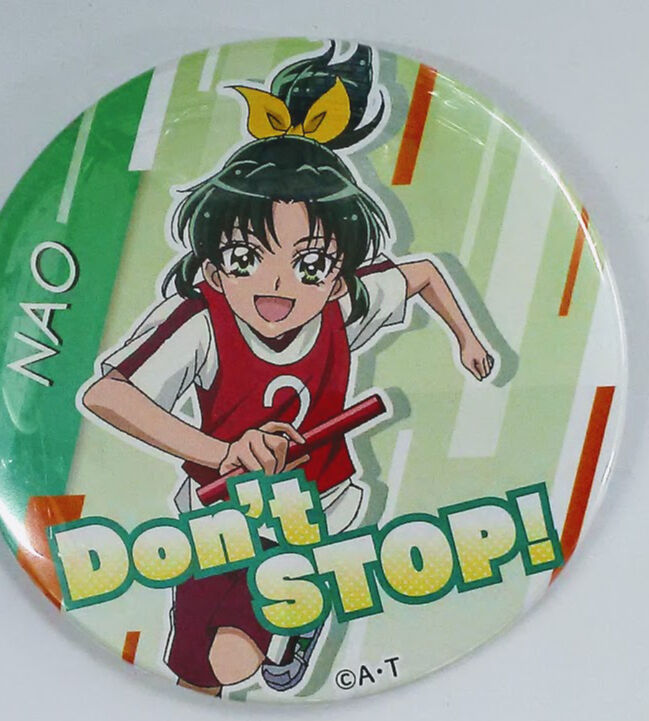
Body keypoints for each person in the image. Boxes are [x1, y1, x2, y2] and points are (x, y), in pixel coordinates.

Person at [81, 41, 493, 696]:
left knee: (234, 663)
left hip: (314, 509)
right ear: (214, 268)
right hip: (220, 519)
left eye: (309, 263)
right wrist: (221, 452)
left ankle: (305, 597)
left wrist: (466, 338)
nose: (276, 284)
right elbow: (107, 394)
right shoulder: (201, 321)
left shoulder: (343, 306)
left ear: (337, 278)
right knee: (195, 667)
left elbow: (420, 273)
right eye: (247, 257)